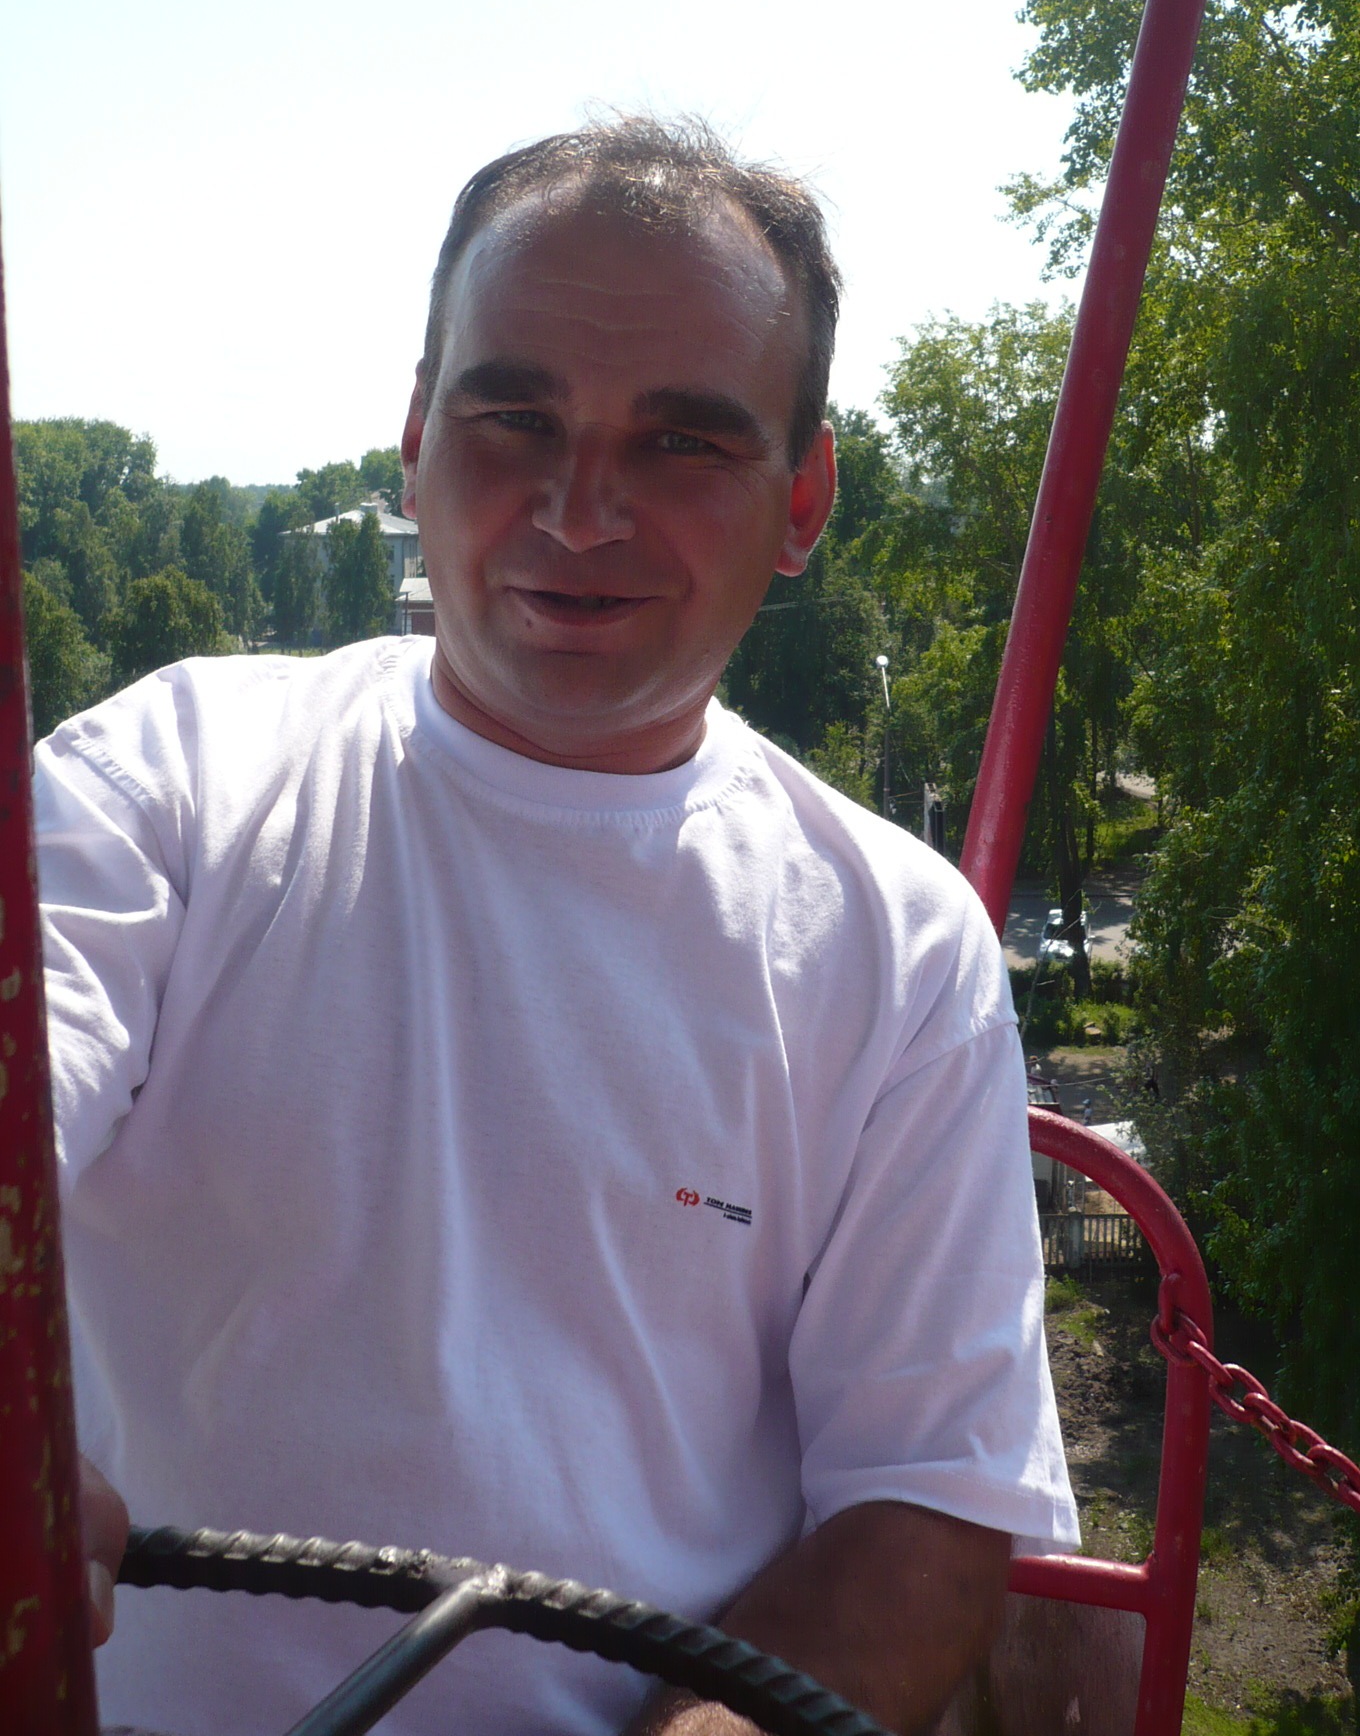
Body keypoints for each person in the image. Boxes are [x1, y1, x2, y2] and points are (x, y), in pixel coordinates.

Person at [39, 116, 1077, 1736]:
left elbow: (927, 1504)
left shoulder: (898, 948)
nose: (580, 511)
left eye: (683, 444)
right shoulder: (162, 786)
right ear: (415, 441)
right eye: (513, 417)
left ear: (802, 499)